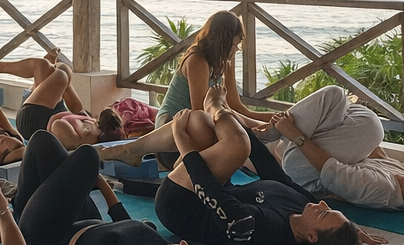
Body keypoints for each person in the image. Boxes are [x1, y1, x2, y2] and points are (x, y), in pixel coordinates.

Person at [11, 129, 249, 245]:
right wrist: (101, 184)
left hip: (44, 233)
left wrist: (12, 233)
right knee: (44, 143)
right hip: (83, 216)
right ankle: (22, 203)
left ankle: (18, 209)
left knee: (87, 156)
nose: (183, 244)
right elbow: (125, 225)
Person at [153, 93, 365, 245]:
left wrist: (180, 137)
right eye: (327, 208)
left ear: (311, 236)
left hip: (181, 205)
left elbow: (209, 189)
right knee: (200, 123)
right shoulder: (303, 210)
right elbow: (274, 173)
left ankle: (214, 107)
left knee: (234, 143)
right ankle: (134, 150)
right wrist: (351, 232)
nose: (321, 205)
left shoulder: (262, 228)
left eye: (323, 214)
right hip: (211, 189)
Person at [100, 10, 274, 170]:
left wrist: (268, 120)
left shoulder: (224, 60)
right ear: (221, 41)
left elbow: (234, 106)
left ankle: (138, 153)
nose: (235, 50)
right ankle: (132, 151)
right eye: (233, 45)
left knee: (238, 133)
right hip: (176, 126)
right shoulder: (197, 60)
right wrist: (261, 126)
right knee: (204, 120)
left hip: (200, 127)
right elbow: (202, 110)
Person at [265, 85, 404, 209]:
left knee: (334, 95)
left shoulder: (380, 190)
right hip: (312, 156)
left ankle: (276, 130)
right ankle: (275, 132)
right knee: (352, 113)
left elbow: (327, 167)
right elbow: (377, 154)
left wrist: (295, 134)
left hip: (305, 168)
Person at [0, 46, 125, 149]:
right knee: (52, 68)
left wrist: (83, 127)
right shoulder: (93, 124)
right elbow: (77, 108)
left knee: (56, 70)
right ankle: (43, 77)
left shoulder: (89, 136)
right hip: (53, 112)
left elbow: (59, 129)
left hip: (34, 121)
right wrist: (84, 118)